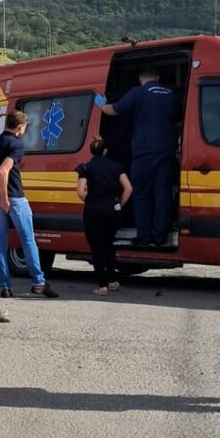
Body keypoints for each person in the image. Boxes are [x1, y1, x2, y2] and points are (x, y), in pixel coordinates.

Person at [0, 111, 59, 298]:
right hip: (13, 198)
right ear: (20, 128)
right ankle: (38, 282)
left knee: (0, 243)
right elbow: (2, 172)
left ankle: (4, 286)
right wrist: (6, 198)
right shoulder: (17, 145)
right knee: (28, 240)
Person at [95, 67, 179, 247]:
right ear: (157, 77)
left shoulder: (138, 93)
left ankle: (144, 236)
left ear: (141, 78)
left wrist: (100, 104)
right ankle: (160, 236)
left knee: (141, 194)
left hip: (144, 152)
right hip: (166, 151)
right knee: (162, 193)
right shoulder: (171, 94)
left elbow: (114, 110)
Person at [76, 137, 133, 296]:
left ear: (91, 151)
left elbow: (80, 191)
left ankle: (102, 285)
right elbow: (128, 188)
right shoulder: (116, 167)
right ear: (105, 150)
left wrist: (92, 200)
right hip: (112, 210)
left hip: (93, 210)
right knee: (108, 244)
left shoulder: (86, 167)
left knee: (97, 248)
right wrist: (119, 205)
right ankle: (113, 281)